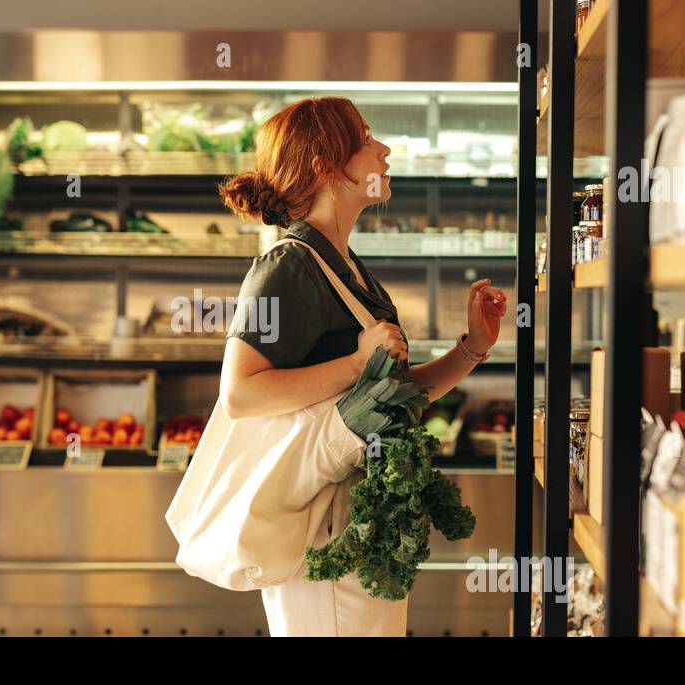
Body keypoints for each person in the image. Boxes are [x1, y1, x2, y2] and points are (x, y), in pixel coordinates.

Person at [217, 96, 508, 636]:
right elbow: (241, 393)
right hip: (321, 529)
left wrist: (470, 348)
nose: (385, 149)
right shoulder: (287, 266)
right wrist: (355, 362)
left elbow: (391, 392)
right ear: (327, 166)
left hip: (357, 521)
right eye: (367, 139)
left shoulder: (343, 265)